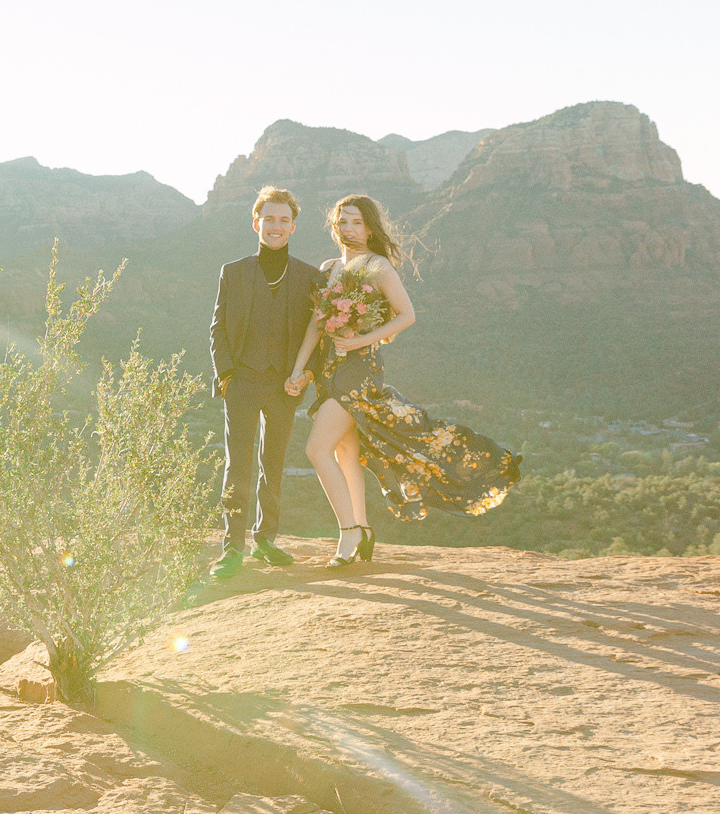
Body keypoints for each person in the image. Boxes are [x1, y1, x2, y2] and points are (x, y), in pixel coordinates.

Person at [285, 194, 521, 567]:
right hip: (328, 372)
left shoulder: (377, 266)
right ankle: (362, 529)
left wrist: (360, 340)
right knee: (346, 452)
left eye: (357, 223)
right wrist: (299, 369)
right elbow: (316, 325)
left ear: (369, 228)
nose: (349, 229)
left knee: (317, 450)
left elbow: (406, 315)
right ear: (334, 225)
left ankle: (348, 532)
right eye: (343, 221)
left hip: (357, 370)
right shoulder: (329, 267)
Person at [208, 186, 324, 580]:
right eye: (269, 218)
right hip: (241, 382)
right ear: (256, 223)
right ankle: (232, 548)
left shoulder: (310, 277)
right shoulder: (233, 271)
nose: (276, 225)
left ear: (293, 227)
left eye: (283, 220)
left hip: (283, 386)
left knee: (272, 464)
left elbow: (318, 335)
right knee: (237, 466)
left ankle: (265, 540)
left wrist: (306, 376)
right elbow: (217, 329)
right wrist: (226, 376)